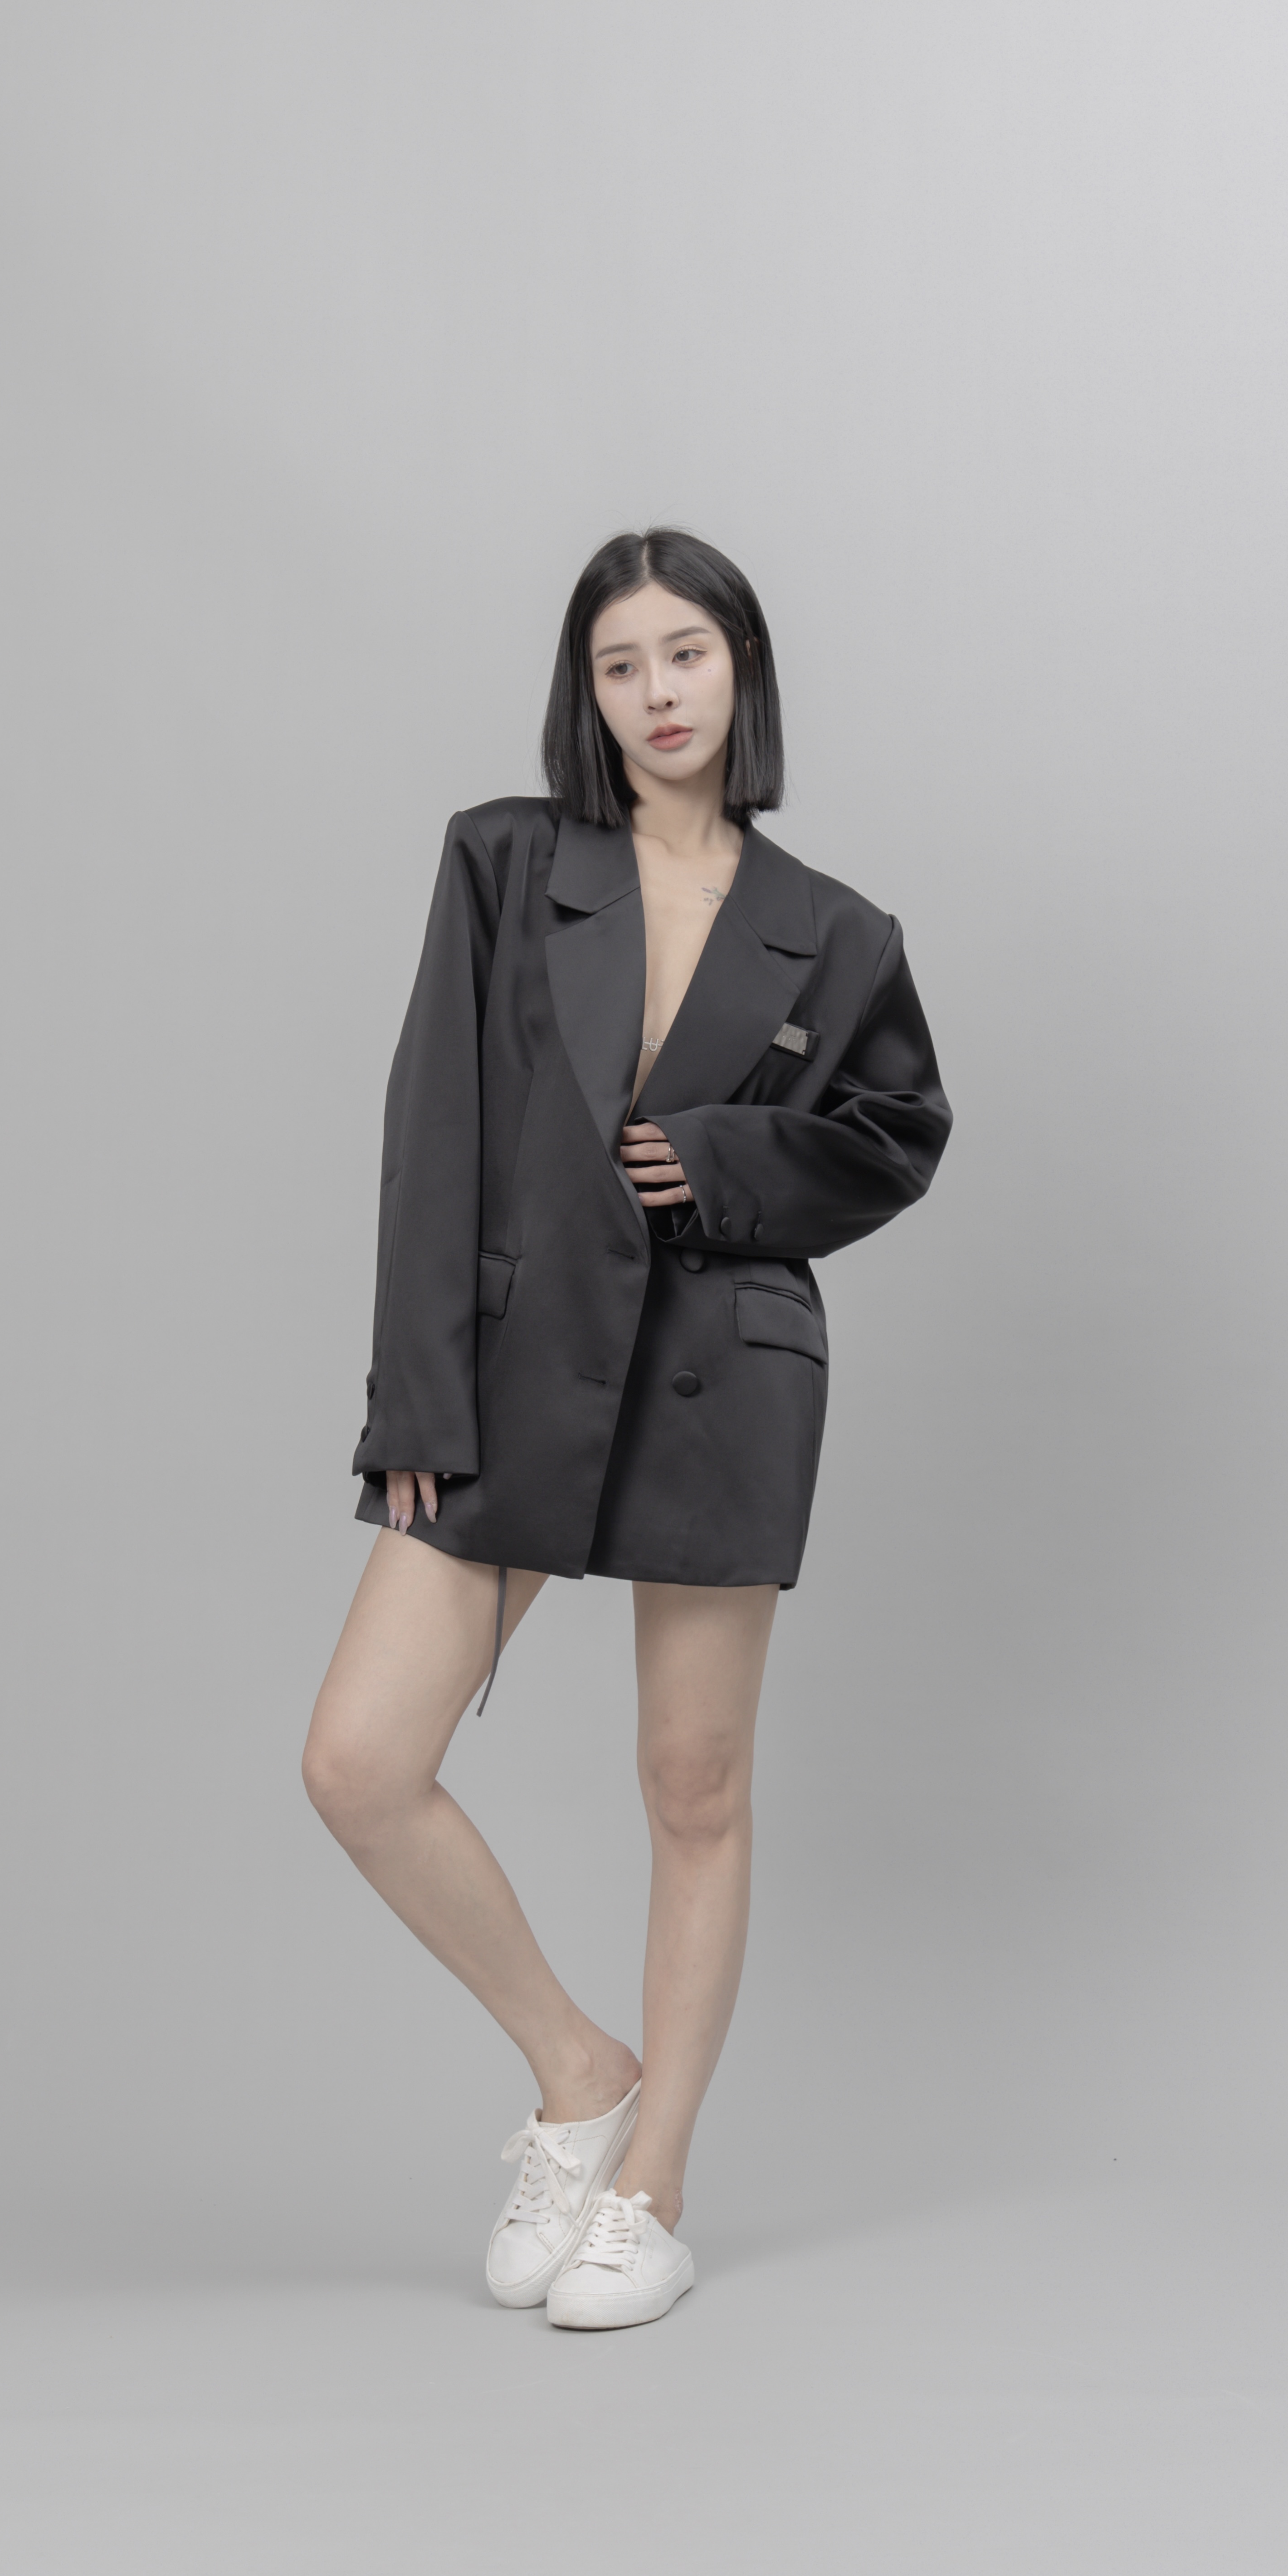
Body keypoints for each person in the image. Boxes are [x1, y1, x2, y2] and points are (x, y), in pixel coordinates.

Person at [302, 529, 951, 2328]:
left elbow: (899, 1134)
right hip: (515, 1365)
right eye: (620, 664)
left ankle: (652, 2186)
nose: (659, 692)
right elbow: (434, 1128)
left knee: (695, 1785)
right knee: (360, 1760)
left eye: (687, 653)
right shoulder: (507, 860)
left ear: (742, 669)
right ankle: (582, 2072)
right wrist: (415, 1392)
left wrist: (726, 1158)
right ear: (583, 693)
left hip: (721, 1370)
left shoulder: (838, 929)